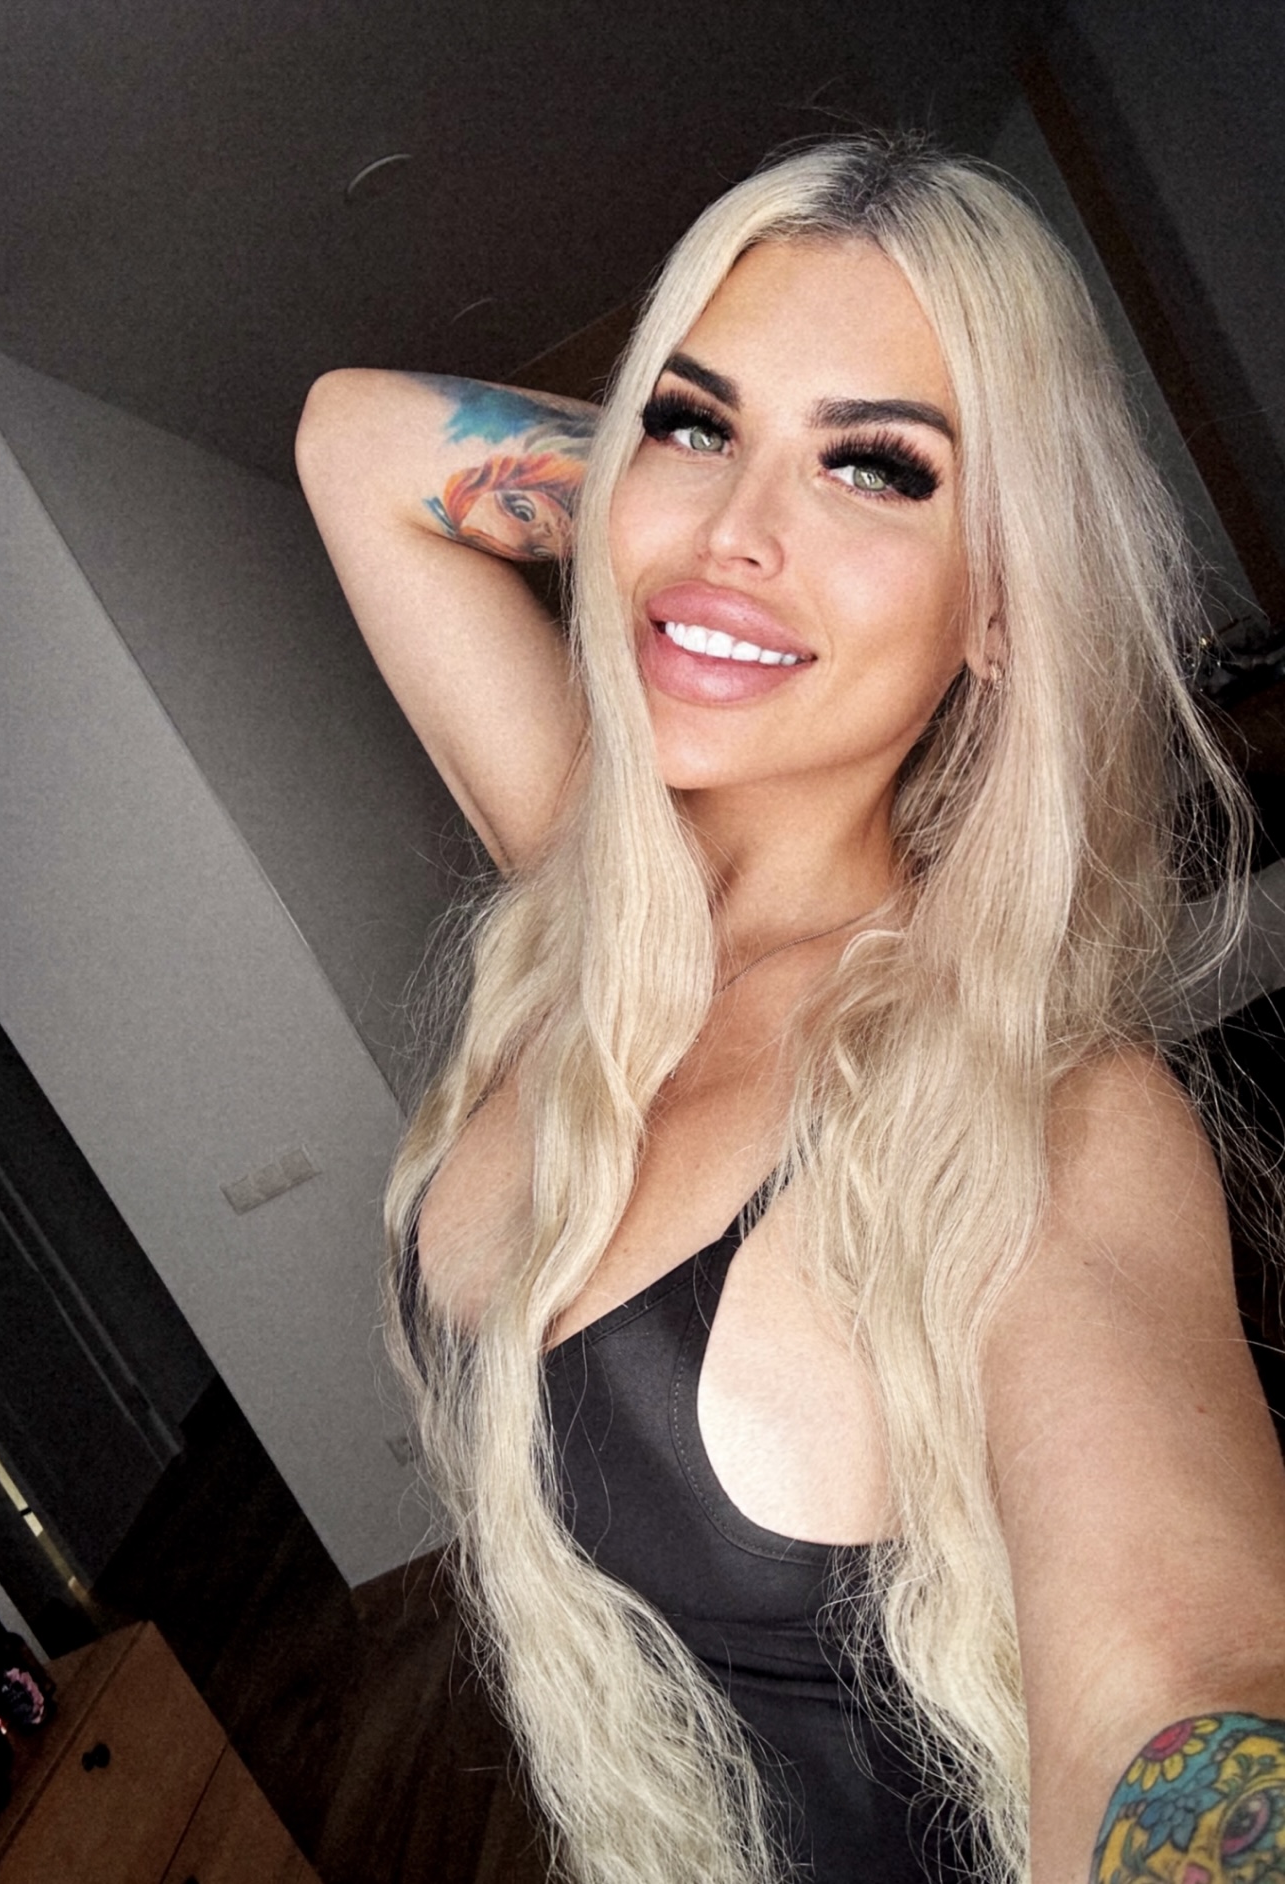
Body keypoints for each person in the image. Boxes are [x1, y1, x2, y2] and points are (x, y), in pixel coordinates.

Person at [296, 136, 1285, 1884]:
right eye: (695, 423)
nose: (735, 532)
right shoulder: (593, 891)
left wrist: (756, 535)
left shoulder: (1045, 1114)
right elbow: (356, 439)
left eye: (877, 466)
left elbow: (1180, 1675)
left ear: (1004, 601)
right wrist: (703, 521)